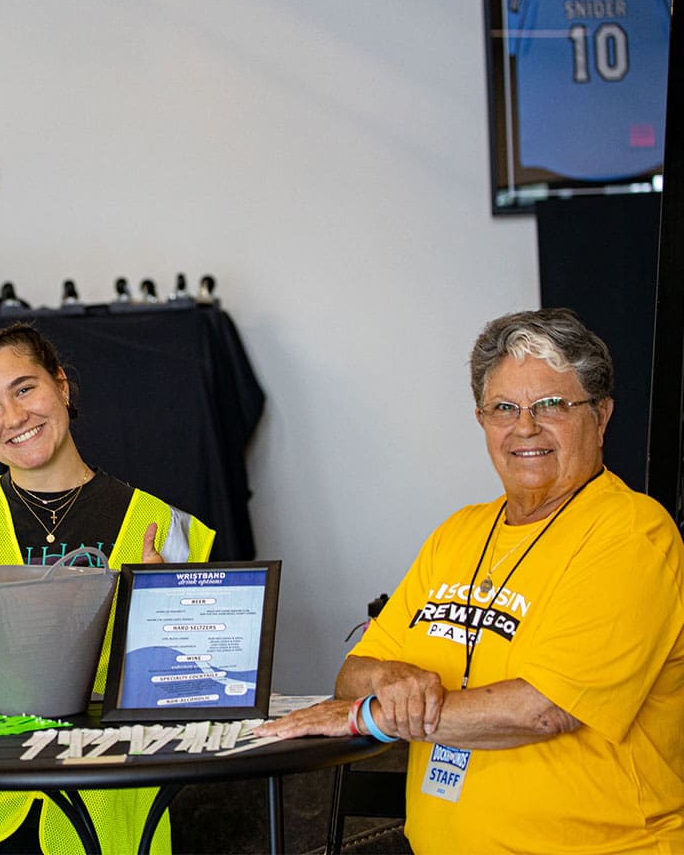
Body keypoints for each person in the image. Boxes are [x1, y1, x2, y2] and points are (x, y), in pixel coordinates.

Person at [263, 308, 684, 853]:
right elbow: (355, 671)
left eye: (552, 405)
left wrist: (370, 715)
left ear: (601, 417)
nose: (525, 426)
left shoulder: (630, 535)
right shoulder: (457, 534)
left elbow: (542, 710)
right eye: (504, 408)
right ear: (482, 420)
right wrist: (392, 678)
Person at [0, 321, 216, 854]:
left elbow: (193, 705)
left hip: (99, 818)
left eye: (24, 389)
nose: (14, 418)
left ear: (62, 386)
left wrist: (165, 624)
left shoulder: (167, 530)